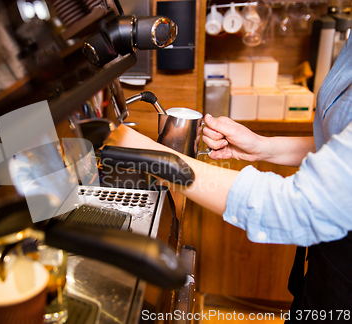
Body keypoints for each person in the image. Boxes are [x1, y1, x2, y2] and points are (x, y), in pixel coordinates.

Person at [106, 37, 352, 319]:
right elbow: (338, 147)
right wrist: (264, 147)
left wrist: (144, 151)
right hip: (327, 256)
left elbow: (303, 206)